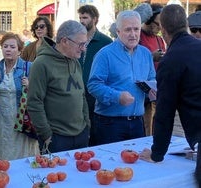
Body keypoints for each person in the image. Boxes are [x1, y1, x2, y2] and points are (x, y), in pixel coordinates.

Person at [139, 5, 201, 187]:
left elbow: (164, 112)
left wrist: (156, 153)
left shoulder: (171, 60)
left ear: (163, 31)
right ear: (187, 25)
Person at [87, 10, 156, 145]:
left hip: (137, 122)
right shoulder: (105, 54)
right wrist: (116, 96)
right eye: (128, 30)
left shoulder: (146, 54)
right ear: (118, 32)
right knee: (110, 165)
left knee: (138, 164)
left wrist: (152, 89)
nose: (133, 34)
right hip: (110, 124)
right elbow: (93, 85)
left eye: (136, 29)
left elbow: (152, 77)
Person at [27, 20, 90, 154]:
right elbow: (34, 102)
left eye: (85, 44)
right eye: (81, 44)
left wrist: (86, 125)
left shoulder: (75, 62)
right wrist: (47, 135)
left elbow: (81, 95)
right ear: (65, 41)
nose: (84, 48)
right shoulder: (41, 64)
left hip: (80, 135)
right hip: (56, 138)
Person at [0, 32, 39, 160]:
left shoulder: (28, 67)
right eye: (5, 46)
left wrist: (30, 85)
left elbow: (39, 93)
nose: (8, 50)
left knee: (23, 154)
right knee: (5, 153)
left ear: (19, 50)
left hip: (22, 118)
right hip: (2, 120)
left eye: (12, 47)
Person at [77, 4, 113, 146]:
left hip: (95, 92)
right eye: (80, 17)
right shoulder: (76, 40)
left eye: (85, 17)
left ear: (95, 19)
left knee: (95, 129)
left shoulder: (105, 42)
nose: (81, 21)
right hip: (77, 90)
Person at [139, 3, 166, 136]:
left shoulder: (159, 39)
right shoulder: (137, 37)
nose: (159, 28)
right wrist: (151, 57)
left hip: (156, 91)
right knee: (146, 129)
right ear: (148, 20)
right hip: (142, 93)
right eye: (157, 24)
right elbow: (132, 60)